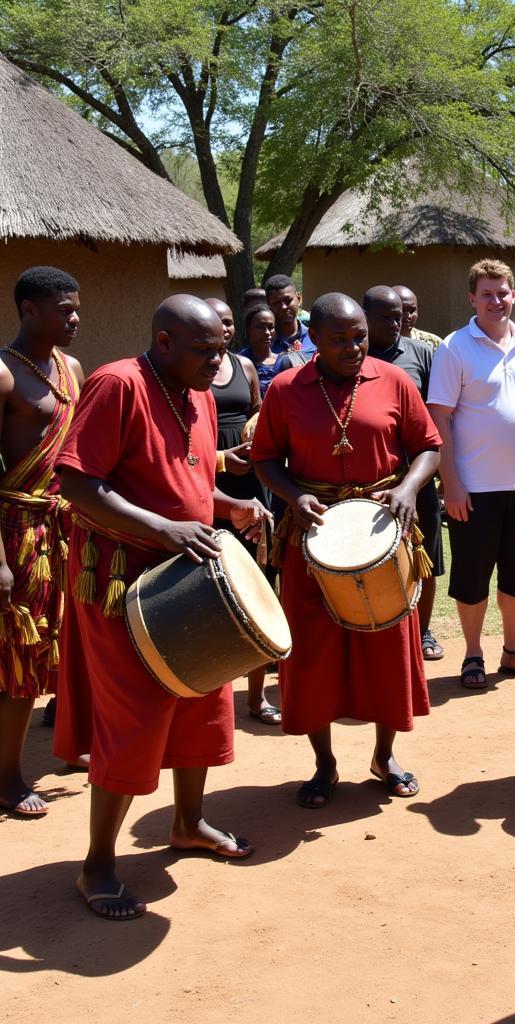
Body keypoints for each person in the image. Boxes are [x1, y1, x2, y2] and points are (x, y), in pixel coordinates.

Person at [52, 295, 271, 920]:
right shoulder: (117, 384)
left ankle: (187, 822)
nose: (217, 360)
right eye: (203, 350)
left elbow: (189, 478)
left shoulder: (197, 389)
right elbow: (76, 482)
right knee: (135, 715)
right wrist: (163, 528)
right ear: (164, 341)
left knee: (202, 698)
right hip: (123, 581)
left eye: (219, 349)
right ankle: (96, 864)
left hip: (185, 576)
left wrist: (228, 507)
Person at [252, 292, 440, 806]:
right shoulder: (288, 389)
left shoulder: (394, 379)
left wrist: (406, 490)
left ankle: (385, 755)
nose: (354, 347)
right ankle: (324, 763)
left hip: (381, 531)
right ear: (314, 339)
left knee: (387, 643)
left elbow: (428, 445)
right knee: (313, 652)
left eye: (360, 336)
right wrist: (294, 494)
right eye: (340, 339)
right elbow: (265, 458)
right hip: (312, 539)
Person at [427, 259, 515, 689]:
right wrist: (451, 484)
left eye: (503, 293)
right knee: (473, 578)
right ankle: (473, 653)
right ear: (471, 299)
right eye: (487, 294)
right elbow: (438, 419)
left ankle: (512, 651)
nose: (496, 301)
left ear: (514, 295)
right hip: (472, 489)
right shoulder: (454, 347)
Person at [0, 267, 84, 817]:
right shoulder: (4, 374)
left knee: (73, 641)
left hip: (65, 525)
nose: (75, 318)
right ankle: (7, 776)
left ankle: (71, 742)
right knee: (20, 656)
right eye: (63, 309)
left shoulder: (71, 367)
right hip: (17, 529)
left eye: (77, 308)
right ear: (29, 310)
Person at [204, 298, 279, 725]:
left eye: (229, 322)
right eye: (218, 323)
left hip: (251, 488)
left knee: (257, 589)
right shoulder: (191, 370)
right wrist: (221, 457)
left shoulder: (246, 368)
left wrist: (254, 438)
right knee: (213, 593)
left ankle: (255, 698)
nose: (226, 329)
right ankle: (210, 695)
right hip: (210, 486)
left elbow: (254, 413)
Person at [362, 285, 446, 661]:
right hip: (372, 480)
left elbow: (435, 418)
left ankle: (423, 631)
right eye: (386, 317)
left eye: (400, 316)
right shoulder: (353, 357)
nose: (396, 324)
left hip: (417, 478)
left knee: (423, 558)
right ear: (366, 318)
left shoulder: (422, 354)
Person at [239, 303, 293, 398]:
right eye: (260, 327)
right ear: (248, 329)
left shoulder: (285, 361)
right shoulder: (239, 363)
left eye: (271, 327)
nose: (267, 333)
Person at [263, 274, 314, 360]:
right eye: (276, 303)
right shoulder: (263, 345)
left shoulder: (315, 339)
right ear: (268, 304)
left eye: (288, 300)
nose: (283, 307)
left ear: (299, 298)